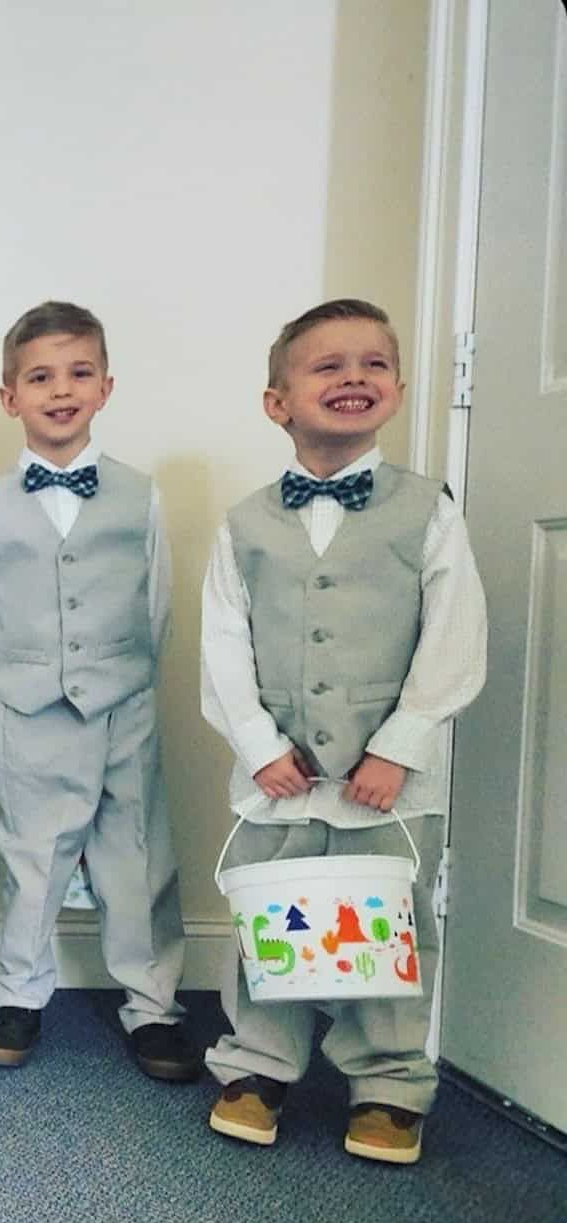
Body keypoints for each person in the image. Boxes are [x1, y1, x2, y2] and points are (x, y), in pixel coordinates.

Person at [201, 298, 486, 1165]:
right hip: (279, 777)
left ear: (397, 389)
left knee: (388, 925)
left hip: (390, 782)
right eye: (326, 366)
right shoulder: (245, 524)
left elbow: (455, 634)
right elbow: (222, 641)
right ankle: (258, 1064)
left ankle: (390, 1081)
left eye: (371, 364)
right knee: (274, 915)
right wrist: (259, 746)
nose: (352, 378)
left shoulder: (426, 509)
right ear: (277, 401)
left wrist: (400, 745)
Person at [0, 300, 195, 1079]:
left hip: (123, 703)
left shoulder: (141, 495)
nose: (60, 390)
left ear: (105, 387)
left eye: (79, 373)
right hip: (29, 711)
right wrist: (20, 688)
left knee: (138, 854)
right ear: (10, 397)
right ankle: (18, 996)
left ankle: (153, 1004)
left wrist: (118, 676)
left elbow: (155, 604)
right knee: (33, 855)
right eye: (39, 377)